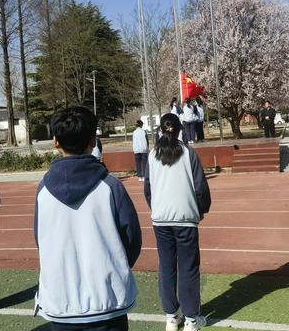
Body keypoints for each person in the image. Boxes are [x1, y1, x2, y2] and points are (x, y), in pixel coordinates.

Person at [34, 107, 142, 331]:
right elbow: (132, 240)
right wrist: (114, 267)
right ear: (94, 141)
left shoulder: (43, 190)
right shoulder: (110, 187)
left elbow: (40, 240)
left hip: (61, 305)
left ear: (55, 142)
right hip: (108, 304)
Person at [144, 113, 211, 331]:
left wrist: (156, 208)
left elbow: (148, 190)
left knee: (166, 266)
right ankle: (191, 319)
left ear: (160, 130)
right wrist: (201, 210)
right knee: (188, 268)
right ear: (180, 129)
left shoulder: (152, 154)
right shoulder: (188, 153)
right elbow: (200, 187)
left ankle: (171, 318)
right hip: (185, 218)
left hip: (161, 219)